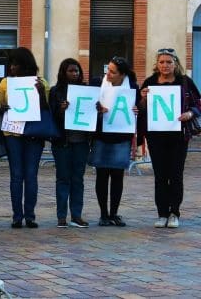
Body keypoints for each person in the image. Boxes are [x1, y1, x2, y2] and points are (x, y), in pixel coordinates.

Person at [139, 48, 199, 229]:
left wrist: (189, 113)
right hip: (156, 136)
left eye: (169, 62)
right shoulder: (150, 82)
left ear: (176, 64)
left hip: (179, 136)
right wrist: (142, 99)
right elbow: (140, 109)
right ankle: (162, 213)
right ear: (157, 64)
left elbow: (199, 104)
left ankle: (174, 213)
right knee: (160, 176)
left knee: (176, 175)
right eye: (162, 62)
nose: (165, 65)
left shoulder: (185, 82)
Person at [0, 47, 48, 229]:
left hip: (34, 133)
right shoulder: (4, 83)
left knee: (31, 175)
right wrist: (1, 108)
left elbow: (47, 109)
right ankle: (17, 216)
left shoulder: (41, 83)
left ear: (25, 65)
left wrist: (41, 92)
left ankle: (30, 215)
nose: (11, 68)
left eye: (15, 64)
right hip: (13, 133)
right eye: (10, 64)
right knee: (16, 175)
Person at [89, 56, 138, 227]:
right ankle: (103, 214)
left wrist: (138, 107)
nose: (107, 74)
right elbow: (88, 104)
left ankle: (114, 213)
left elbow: (139, 107)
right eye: (107, 70)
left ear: (122, 74)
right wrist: (97, 108)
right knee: (102, 175)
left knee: (117, 176)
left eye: (112, 71)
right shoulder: (97, 83)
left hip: (121, 136)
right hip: (101, 135)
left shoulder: (132, 87)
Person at [49, 58, 92, 228]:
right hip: (62, 142)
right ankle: (61, 216)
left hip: (81, 141)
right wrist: (61, 109)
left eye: (77, 71)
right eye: (71, 71)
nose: (75, 74)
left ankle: (76, 215)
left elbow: (91, 114)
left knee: (78, 179)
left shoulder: (86, 90)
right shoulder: (56, 91)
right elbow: (52, 115)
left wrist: (95, 108)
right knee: (63, 178)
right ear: (63, 72)